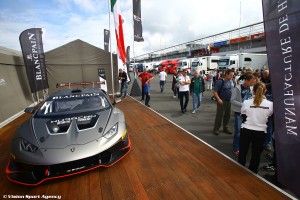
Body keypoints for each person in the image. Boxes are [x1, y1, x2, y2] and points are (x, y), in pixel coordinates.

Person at [238, 82, 273, 174]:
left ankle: (239, 169)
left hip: (246, 129)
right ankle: (253, 171)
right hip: (260, 131)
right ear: (265, 91)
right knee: (256, 153)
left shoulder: (246, 102)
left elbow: (243, 114)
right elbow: (269, 115)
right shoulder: (270, 104)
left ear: (253, 91)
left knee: (243, 151)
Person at [230, 72, 256, 156]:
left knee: (247, 131)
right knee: (238, 131)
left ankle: (243, 146)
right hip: (239, 113)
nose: (252, 84)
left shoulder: (251, 88)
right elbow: (232, 100)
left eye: (253, 82)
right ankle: (236, 148)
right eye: (251, 82)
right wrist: (244, 104)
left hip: (249, 113)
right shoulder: (237, 88)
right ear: (246, 80)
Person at [213, 69, 235, 135]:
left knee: (227, 115)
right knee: (220, 115)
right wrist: (218, 99)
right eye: (231, 75)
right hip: (222, 101)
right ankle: (216, 129)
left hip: (230, 101)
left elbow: (233, 89)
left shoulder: (232, 81)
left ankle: (225, 128)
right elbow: (215, 91)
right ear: (226, 74)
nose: (232, 77)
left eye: (233, 75)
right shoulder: (220, 82)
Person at [261, 69, 273, 152]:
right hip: (263, 110)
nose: (265, 75)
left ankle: (268, 143)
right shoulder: (265, 85)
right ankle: (263, 142)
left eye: (266, 73)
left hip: (272, 112)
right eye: (264, 73)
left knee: (270, 128)